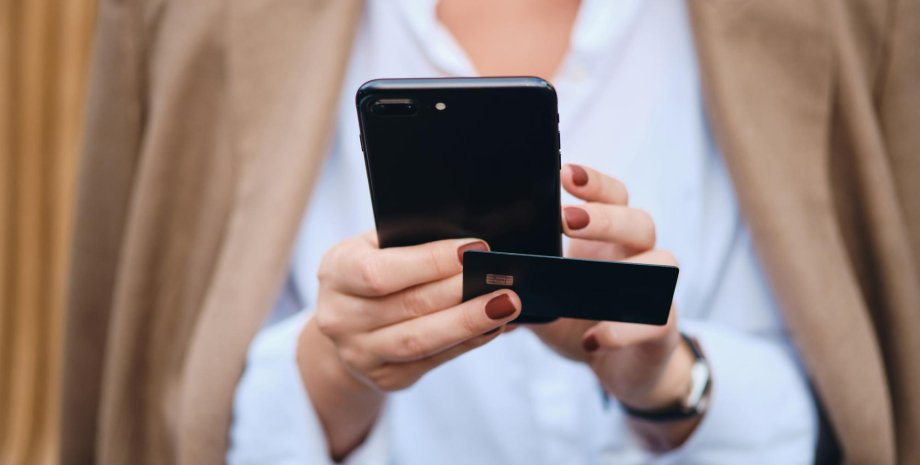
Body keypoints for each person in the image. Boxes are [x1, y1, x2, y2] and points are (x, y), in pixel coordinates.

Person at [61, 0, 920, 464]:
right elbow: (145, 406)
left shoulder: (854, 20)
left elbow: (866, 399)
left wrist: (668, 382)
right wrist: (336, 368)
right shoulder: (184, 17)